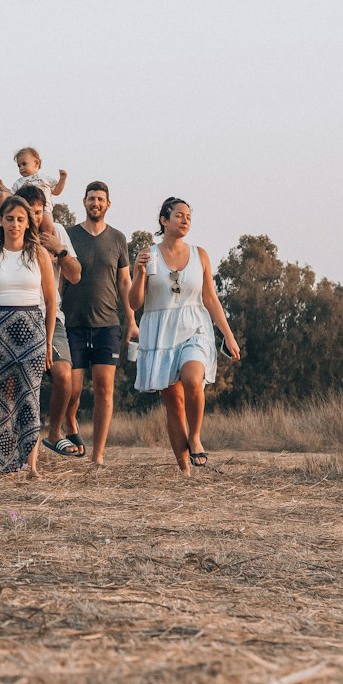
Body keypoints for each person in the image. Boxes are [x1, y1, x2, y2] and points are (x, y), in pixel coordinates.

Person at [129, 197, 241, 472]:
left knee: (193, 379)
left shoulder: (200, 254)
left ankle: (195, 437)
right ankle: (184, 470)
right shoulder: (149, 255)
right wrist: (139, 272)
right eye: (179, 215)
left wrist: (228, 334)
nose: (185, 220)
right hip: (160, 331)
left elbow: (211, 299)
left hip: (195, 326)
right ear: (164, 221)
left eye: (188, 216)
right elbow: (134, 303)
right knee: (174, 403)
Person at [0, 195, 56, 478]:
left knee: (29, 398)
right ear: (1, 222)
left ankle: (31, 465)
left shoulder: (39, 254)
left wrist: (49, 344)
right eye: (10, 219)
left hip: (32, 332)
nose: (15, 224)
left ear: (28, 222)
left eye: (21, 219)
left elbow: (51, 301)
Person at [6, 186, 85, 464]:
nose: (34, 218)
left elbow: (75, 276)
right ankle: (17, 443)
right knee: (19, 386)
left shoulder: (57, 233)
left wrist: (59, 251)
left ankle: (53, 433)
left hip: (52, 315)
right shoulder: (10, 235)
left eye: (38, 212)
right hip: (17, 317)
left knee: (65, 376)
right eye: (29, 213)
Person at [61, 182, 137, 467]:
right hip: (73, 323)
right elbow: (59, 276)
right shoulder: (69, 235)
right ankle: (70, 422)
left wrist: (131, 320)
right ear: (84, 202)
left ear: (108, 204)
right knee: (73, 389)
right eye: (91, 198)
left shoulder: (118, 238)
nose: (96, 203)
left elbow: (124, 282)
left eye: (100, 199)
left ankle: (98, 455)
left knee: (105, 390)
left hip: (107, 325)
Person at [0, 146, 68, 205]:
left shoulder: (45, 178)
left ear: (36, 163)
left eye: (24, 164)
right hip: (25, 212)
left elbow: (56, 191)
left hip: (44, 210)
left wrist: (62, 179)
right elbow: (11, 195)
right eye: (19, 166)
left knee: (48, 224)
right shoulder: (19, 182)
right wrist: (1, 187)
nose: (21, 168)